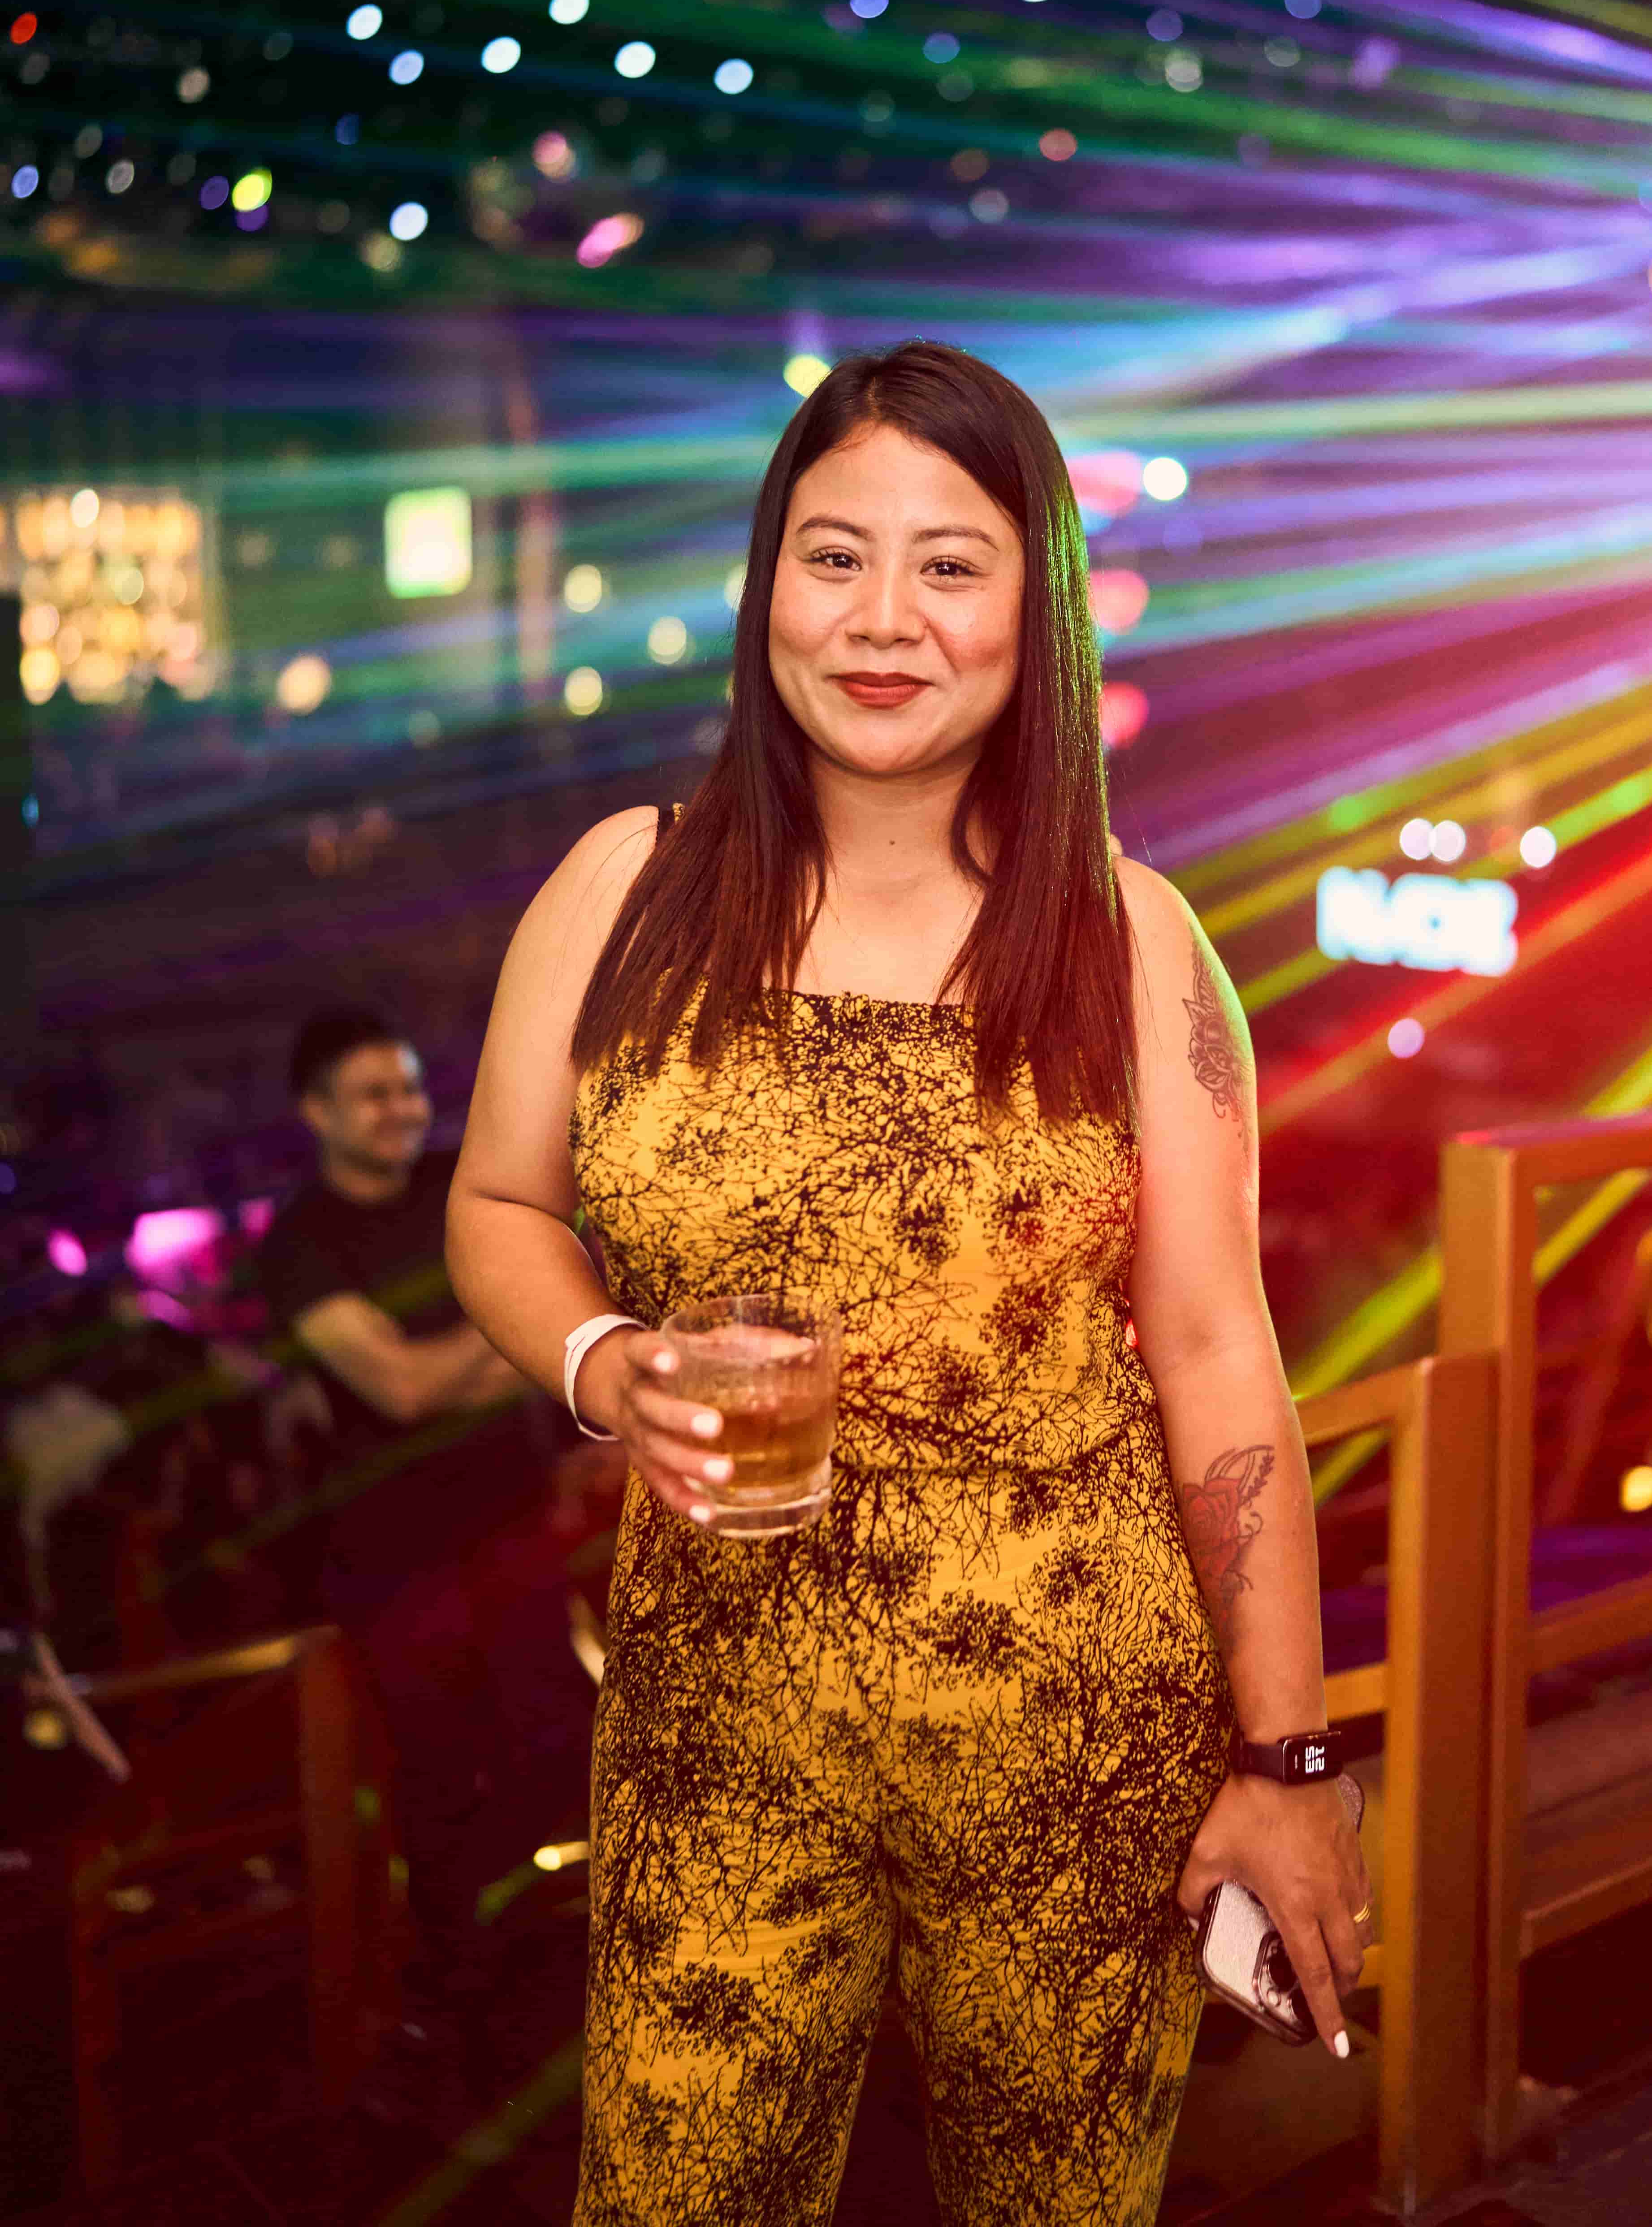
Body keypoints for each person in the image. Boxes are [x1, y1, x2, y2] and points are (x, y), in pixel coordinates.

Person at [446, 343, 1371, 2227]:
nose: (883, 619)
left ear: (1037, 613)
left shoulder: (1127, 937)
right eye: (833, 556)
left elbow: (1216, 1350)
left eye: (950, 566)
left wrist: (1286, 1760)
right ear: (766, 588)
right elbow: (496, 1202)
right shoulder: (626, 889)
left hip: (1073, 1735)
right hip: (717, 1713)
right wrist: (610, 1367)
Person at [258, 1009, 552, 1973]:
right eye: (374, 1094)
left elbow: (566, 1323)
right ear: (317, 1111)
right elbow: (403, 1389)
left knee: (553, 1749)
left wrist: (528, 1329)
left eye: (411, 1088)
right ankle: (460, 1996)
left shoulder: (460, 1182)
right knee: (439, 1781)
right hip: (398, 1557)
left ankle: (564, 1972)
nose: (403, 1109)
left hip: (518, 1521)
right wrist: (510, 1318)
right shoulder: (300, 1240)